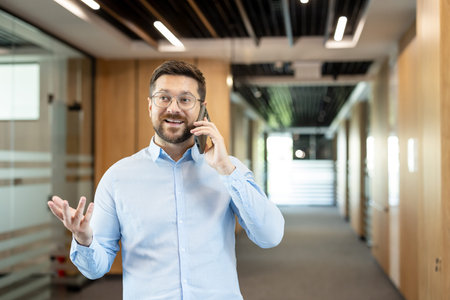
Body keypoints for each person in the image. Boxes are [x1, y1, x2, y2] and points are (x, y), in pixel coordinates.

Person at [48, 60, 285, 299]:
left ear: (202, 108)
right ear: (150, 105)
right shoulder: (118, 177)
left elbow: (270, 236)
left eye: (185, 99)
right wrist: (84, 239)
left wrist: (225, 169)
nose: (173, 108)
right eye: (163, 98)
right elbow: (95, 269)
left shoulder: (229, 170)